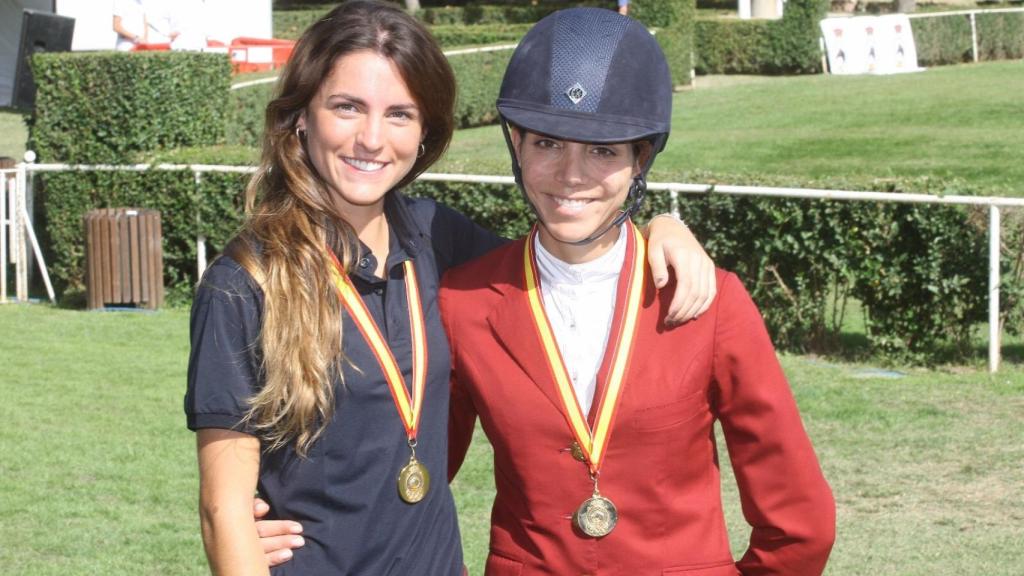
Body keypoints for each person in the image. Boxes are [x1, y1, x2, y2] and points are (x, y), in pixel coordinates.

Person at [256, 7, 835, 576]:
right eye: (547, 144)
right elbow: (414, 470)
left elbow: (800, 520)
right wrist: (286, 510)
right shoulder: (466, 301)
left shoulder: (711, 301)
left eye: (603, 151)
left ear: (642, 159)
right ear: (517, 145)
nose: (571, 175)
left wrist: (669, 223)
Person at [186, 2, 715, 574]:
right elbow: (224, 508)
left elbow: (562, 261)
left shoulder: (437, 234)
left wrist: (661, 226)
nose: (371, 138)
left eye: (399, 114)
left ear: (424, 132)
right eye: (346, 107)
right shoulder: (244, 284)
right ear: (301, 117)